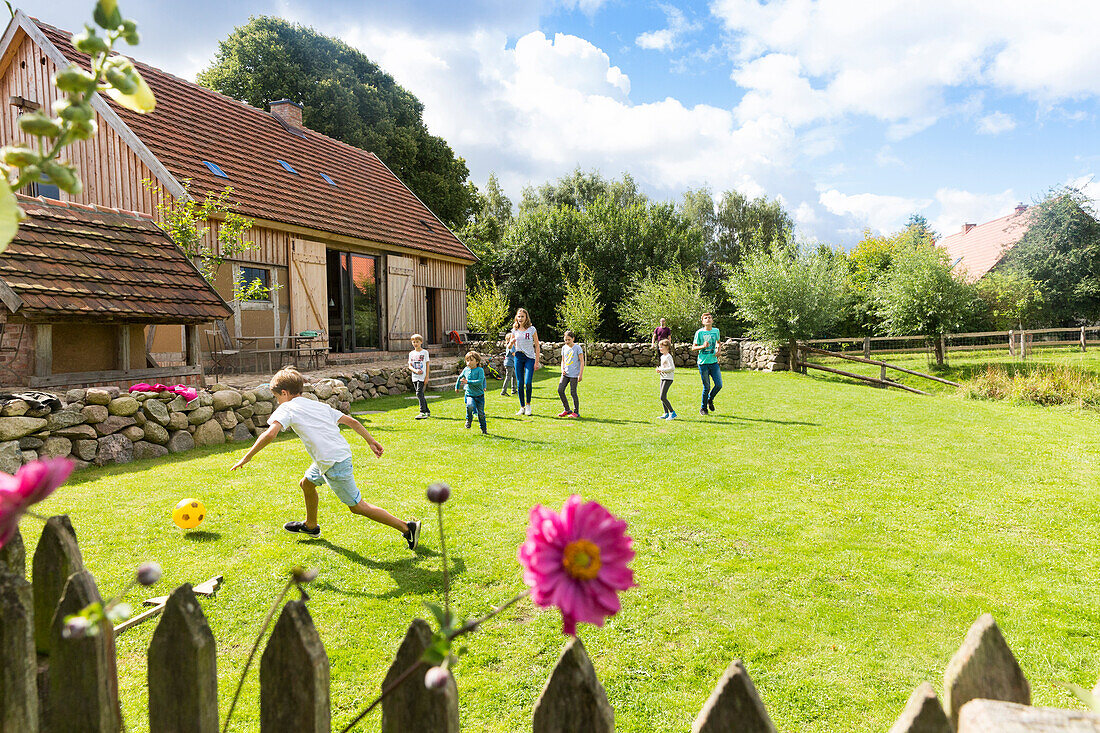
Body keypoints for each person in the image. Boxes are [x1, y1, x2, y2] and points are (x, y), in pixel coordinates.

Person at [230, 366, 420, 548]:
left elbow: (271, 434)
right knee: (307, 483)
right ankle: (311, 526)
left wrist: (247, 457)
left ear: (285, 393)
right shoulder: (316, 405)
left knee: (357, 507)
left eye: (277, 396)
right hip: (336, 455)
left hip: (333, 462)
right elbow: (352, 421)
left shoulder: (286, 408)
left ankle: (406, 527)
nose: (278, 400)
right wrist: (370, 441)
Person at [510, 308, 541, 416]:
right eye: (519, 316)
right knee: (519, 383)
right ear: (516, 317)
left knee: (527, 382)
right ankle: (522, 407)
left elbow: (537, 346)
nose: (520, 318)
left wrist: (537, 362)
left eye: (522, 316)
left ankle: (528, 405)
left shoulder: (532, 329)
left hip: (530, 358)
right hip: (518, 356)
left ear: (526, 317)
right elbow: (511, 345)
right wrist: (513, 350)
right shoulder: (514, 330)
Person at [691, 312, 722, 416]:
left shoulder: (716, 331)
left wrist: (719, 350)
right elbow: (693, 348)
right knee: (707, 387)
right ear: (702, 321)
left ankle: (710, 399)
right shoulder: (699, 333)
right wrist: (703, 346)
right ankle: (703, 408)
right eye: (705, 318)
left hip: (714, 363)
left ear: (712, 320)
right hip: (703, 363)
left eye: (709, 318)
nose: (708, 319)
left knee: (719, 385)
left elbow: (718, 342)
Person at [455, 351, 488, 434]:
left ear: (477, 361)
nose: (468, 362)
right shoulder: (466, 370)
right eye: (467, 360)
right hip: (469, 394)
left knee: (481, 414)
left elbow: (480, 381)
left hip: (479, 396)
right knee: (469, 406)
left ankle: (484, 429)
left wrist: (468, 382)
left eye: (471, 360)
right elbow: (460, 377)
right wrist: (457, 387)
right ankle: (469, 420)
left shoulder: (480, 370)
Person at [557, 330, 584, 418]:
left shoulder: (577, 348)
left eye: (569, 339)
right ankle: (567, 409)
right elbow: (563, 360)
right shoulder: (564, 348)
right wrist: (562, 369)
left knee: (573, 392)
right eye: (565, 340)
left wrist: (580, 374)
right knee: (560, 390)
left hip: (574, 374)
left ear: (573, 339)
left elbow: (582, 361)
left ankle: (576, 412)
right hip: (565, 374)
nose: (567, 342)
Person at [408, 334, 431, 419]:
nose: (415, 343)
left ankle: (422, 412)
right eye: (413, 342)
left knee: (418, 393)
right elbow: (410, 366)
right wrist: (415, 371)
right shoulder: (411, 353)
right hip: (414, 376)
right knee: (420, 394)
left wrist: (427, 377)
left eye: (417, 342)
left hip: (422, 377)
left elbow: (427, 364)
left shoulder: (425, 352)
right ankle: (427, 411)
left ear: (421, 342)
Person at [656, 337, 676, 419]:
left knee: (662, 396)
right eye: (659, 347)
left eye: (662, 347)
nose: (660, 349)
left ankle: (672, 412)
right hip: (663, 377)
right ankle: (666, 413)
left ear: (667, 347)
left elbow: (672, 368)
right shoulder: (662, 357)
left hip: (668, 378)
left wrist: (662, 369)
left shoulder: (668, 356)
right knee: (662, 396)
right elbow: (664, 366)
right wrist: (659, 369)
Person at [500, 332, 516, 396]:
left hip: (509, 363)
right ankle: (503, 391)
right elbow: (513, 353)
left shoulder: (509, 345)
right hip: (509, 363)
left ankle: (514, 390)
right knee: (508, 377)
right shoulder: (511, 345)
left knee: (514, 376)